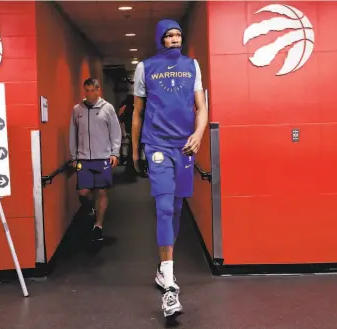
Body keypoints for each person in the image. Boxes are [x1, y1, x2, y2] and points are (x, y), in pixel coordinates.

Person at [131, 19, 208, 319]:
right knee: (164, 207)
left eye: (178, 35)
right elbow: (137, 113)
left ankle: (164, 270)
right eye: (168, 35)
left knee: (176, 209)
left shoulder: (193, 65)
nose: (175, 39)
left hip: (184, 146)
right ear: (159, 39)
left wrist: (199, 134)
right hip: (157, 144)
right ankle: (170, 284)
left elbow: (201, 108)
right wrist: (136, 151)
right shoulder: (145, 67)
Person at [69, 78, 122, 243]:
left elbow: (115, 131)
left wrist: (115, 153)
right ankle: (90, 208)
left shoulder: (107, 109)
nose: (90, 93)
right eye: (87, 90)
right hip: (84, 158)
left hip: (103, 157)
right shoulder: (77, 110)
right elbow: (73, 134)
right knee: (83, 193)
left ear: (98, 90)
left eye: (93, 90)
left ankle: (98, 226)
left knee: (102, 191)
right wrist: (73, 156)